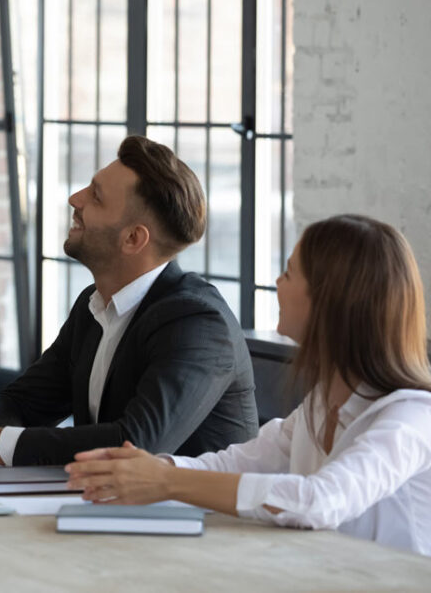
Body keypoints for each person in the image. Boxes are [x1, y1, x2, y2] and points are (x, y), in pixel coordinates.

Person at [66, 214, 431, 555]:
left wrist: (166, 482)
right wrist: (146, 467)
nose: (277, 283)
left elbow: (317, 501)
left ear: (328, 300)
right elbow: (239, 462)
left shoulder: (410, 418)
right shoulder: (321, 402)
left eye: (289, 273)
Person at [0, 135, 258, 466]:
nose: (75, 199)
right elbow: (28, 402)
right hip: (114, 509)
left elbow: (136, 444)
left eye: (95, 197)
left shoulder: (197, 322)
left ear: (132, 239)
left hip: (196, 515)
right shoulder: (95, 303)